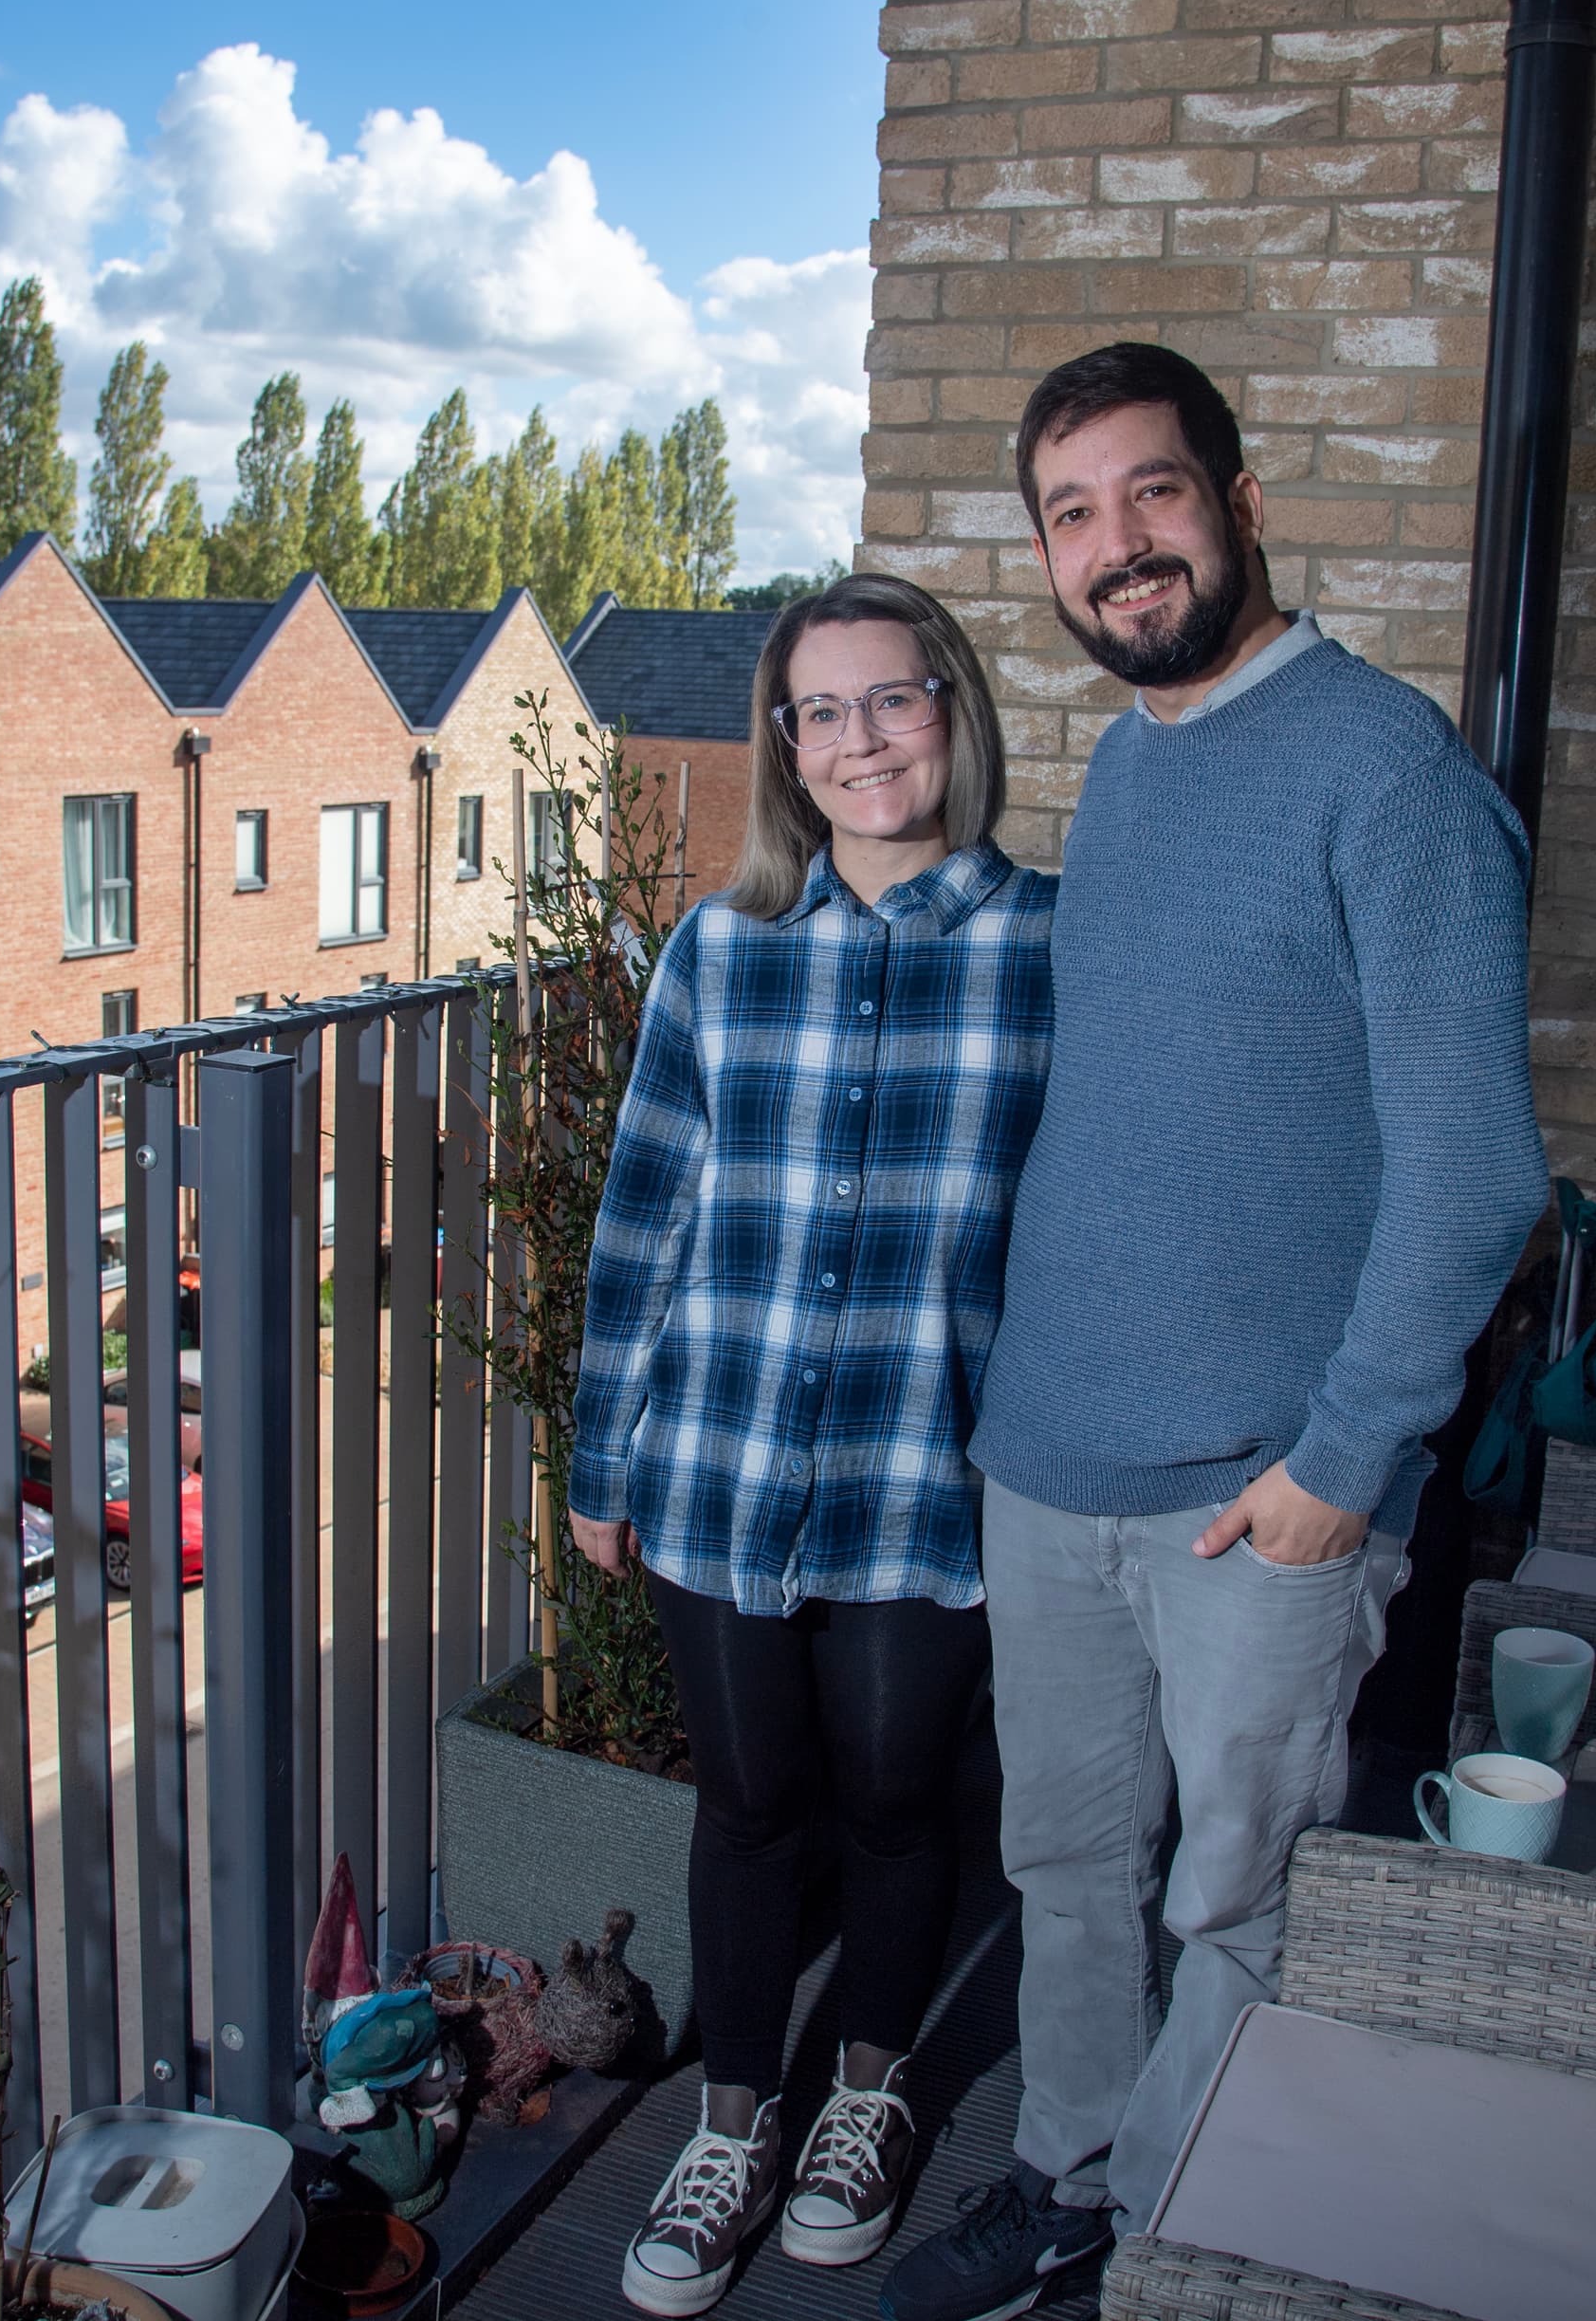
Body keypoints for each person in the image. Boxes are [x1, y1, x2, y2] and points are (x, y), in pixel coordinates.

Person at [880, 343, 1547, 2321]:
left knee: (1234, 1895)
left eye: (1151, 494)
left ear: (1240, 502)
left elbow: (1476, 1169)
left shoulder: (1385, 769)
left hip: (1261, 1492)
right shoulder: (1146, 761)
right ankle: (1070, 2179)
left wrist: (1347, 1460)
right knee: (1070, 1875)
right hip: (1052, 1459)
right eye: (1072, 515)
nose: (1117, 545)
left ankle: (1169, 2246)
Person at [570, 571, 1055, 2317]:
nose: (859, 741)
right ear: (785, 744)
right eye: (820, 711)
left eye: (894, 700)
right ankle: (734, 2118)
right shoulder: (721, 947)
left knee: (900, 1802)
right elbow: (647, 1213)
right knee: (754, 1807)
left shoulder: (1052, 947)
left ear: (955, 713)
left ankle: (866, 2102)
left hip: (929, 1475)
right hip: (719, 1455)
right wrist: (601, 1460)